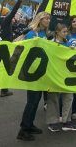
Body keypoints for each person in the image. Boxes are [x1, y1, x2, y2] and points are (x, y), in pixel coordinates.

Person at [17, 11, 50, 141]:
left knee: (37, 99)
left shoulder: (44, 33)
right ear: (40, 20)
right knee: (32, 100)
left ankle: (30, 124)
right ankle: (23, 129)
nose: (48, 20)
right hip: (31, 71)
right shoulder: (31, 33)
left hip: (40, 70)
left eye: (49, 18)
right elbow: (25, 51)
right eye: (46, 18)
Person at [46, 24, 76, 132]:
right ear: (57, 32)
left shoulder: (67, 43)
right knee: (53, 98)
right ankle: (52, 122)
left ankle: (67, 121)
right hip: (54, 74)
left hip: (66, 74)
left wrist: (74, 50)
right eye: (64, 32)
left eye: (67, 32)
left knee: (68, 97)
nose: (66, 34)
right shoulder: (51, 43)